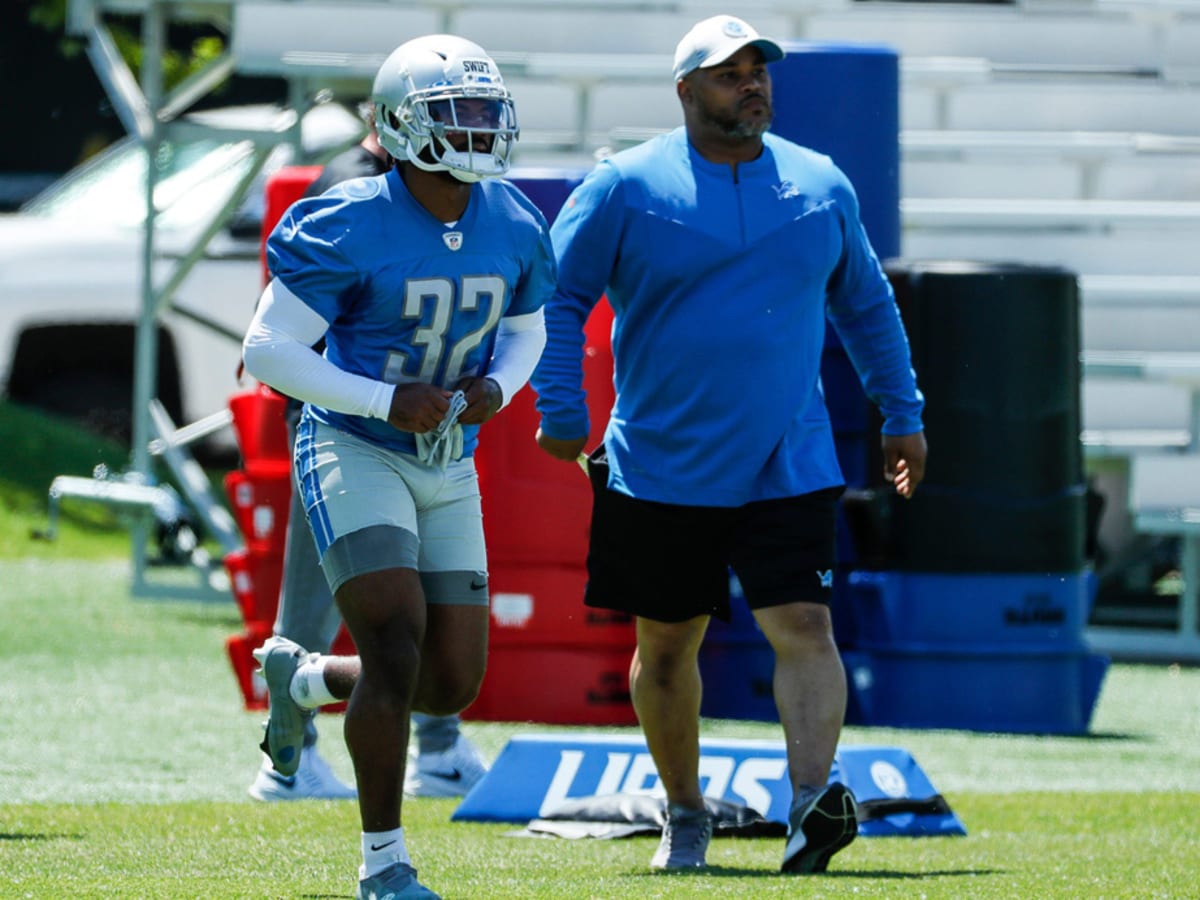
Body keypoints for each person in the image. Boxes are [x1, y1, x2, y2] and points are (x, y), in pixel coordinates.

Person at [531, 14, 927, 876]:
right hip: (659, 464)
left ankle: (809, 807)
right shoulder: (624, 186)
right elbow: (555, 298)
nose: (751, 83)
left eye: (759, 69)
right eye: (727, 73)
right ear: (685, 91)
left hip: (791, 459)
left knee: (805, 625)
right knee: (666, 649)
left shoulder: (822, 185)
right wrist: (560, 404)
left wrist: (903, 410)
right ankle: (683, 812)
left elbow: (865, 305)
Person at [242, 34, 553, 899]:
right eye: (458, 115)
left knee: (451, 682)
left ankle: (304, 680)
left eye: (488, 113)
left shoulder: (514, 220)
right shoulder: (349, 215)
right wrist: (380, 401)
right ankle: (384, 867)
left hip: (449, 455)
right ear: (400, 123)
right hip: (354, 443)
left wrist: (499, 384)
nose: (480, 131)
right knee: (395, 638)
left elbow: (529, 327)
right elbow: (266, 349)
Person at [247, 102, 489, 805]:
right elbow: (291, 321)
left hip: (414, 430)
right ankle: (286, 760)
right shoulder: (355, 188)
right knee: (320, 600)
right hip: (346, 427)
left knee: (423, 597)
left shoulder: (436, 197)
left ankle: (436, 745)